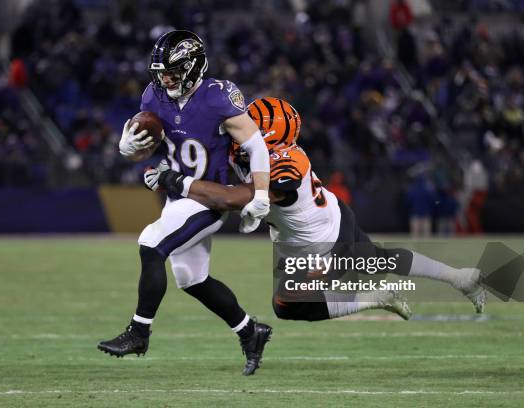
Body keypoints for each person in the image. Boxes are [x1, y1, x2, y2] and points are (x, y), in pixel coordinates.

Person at [149, 97, 487, 323]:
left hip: (318, 244)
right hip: (329, 215)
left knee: (288, 305)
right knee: (377, 257)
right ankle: (459, 276)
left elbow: (231, 197)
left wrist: (175, 181)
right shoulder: (265, 152)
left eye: (250, 125)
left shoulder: (282, 168)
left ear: (267, 136)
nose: (240, 128)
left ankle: (376, 298)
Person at [98, 30, 272, 376]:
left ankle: (139, 332)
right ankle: (251, 332)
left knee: (151, 243)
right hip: (178, 194)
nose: (165, 80)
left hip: (208, 196)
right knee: (191, 277)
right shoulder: (155, 95)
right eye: (161, 73)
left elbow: (257, 147)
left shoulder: (217, 96)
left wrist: (262, 194)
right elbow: (154, 141)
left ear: (194, 68)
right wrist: (131, 149)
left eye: (173, 73)